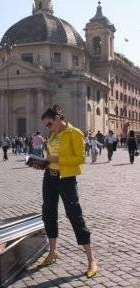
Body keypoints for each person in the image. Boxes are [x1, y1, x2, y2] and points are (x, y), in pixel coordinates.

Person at [33, 105, 97, 278]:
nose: (48, 128)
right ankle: (52, 252)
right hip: (50, 177)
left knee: (74, 214)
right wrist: (43, 163)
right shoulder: (52, 135)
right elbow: (50, 156)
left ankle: (91, 260)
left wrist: (58, 159)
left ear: (58, 118)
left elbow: (81, 158)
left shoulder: (74, 133)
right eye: (46, 125)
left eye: (49, 124)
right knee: (48, 213)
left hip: (66, 178)